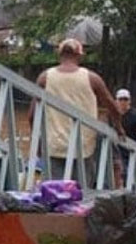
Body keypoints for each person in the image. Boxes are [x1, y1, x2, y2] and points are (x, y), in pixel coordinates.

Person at [30, 39, 123, 188]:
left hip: (55, 145)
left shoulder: (45, 77)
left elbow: (32, 115)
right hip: (83, 147)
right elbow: (113, 107)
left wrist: (39, 141)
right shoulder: (92, 78)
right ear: (80, 56)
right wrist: (119, 129)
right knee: (80, 192)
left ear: (59, 55)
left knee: (54, 193)